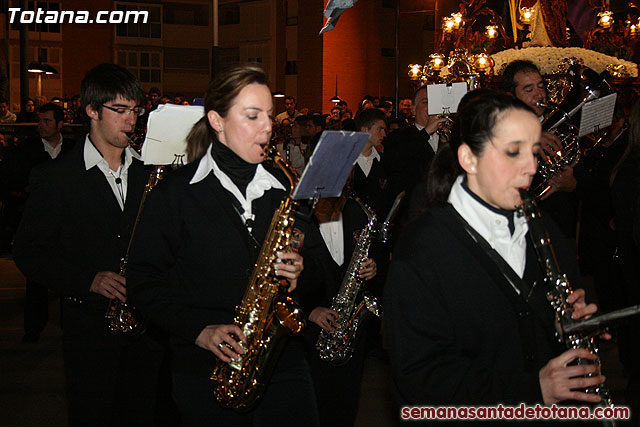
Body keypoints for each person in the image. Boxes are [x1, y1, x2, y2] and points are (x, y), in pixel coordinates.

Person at [385, 93, 606, 409]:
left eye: (532, 152)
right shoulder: (425, 246)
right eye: (513, 152)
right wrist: (532, 391)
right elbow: (419, 377)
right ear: (469, 159)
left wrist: (563, 325)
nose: (531, 168)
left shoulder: (544, 230)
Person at [126, 65, 320, 426]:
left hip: (283, 363)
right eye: (252, 116)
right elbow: (142, 281)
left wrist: (300, 270)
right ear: (216, 120)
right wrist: (199, 329)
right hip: (205, 371)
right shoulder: (174, 194)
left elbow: (316, 269)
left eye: (268, 114)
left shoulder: (284, 184)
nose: (268, 126)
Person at [12, 63, 163, 426]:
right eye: (121, 110)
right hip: (89, 332)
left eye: (136, 110)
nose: (132, 120)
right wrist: (87, 279)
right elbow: (28, 252)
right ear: (92, 110)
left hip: (150, 330)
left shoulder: (151, 171)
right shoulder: (55, 177)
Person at [299, 193, 377, 427]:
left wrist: (372, 268)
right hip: (311, 331)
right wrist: (309, 311)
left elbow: (367, 257)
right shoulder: (299, 214)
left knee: (346, 402)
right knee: (313, 406)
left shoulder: (355, 210)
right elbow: (280, 275)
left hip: (350, 327)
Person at [11, 102, 75, 343]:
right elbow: (13, 178)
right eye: (40, 120)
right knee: (36, 277)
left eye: (47, 121)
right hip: (39, 222)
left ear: (60, 124)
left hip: (67, 224)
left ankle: (69, 326)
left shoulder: (72, 149)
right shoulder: (27, 150)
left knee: (69, 278)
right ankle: (33, 328)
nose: (41, 125)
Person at [502, 59, 578, 238]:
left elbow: (587, 184)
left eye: (541, 87)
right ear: (511, 97)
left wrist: (572, 184)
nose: (539, 94)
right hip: (518, 229)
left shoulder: (561, 129)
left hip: (559, 226)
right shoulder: (500, 129)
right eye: (529, 90)